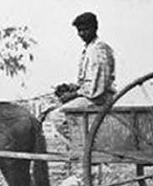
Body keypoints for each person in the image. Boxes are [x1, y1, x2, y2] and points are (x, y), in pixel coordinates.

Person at [49, 11, 116, 142]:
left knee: (58, 116)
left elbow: (98, 87)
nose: (82, 34)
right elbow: (88, 81)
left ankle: (84, 148)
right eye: (79, 30)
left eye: (85, 30)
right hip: (92, 96)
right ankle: (82, 145)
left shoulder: (99, 49)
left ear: (95, 28)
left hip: (99, 99)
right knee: (52, 107)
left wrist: (74, 94)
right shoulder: (89, 48)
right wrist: (72, 88)